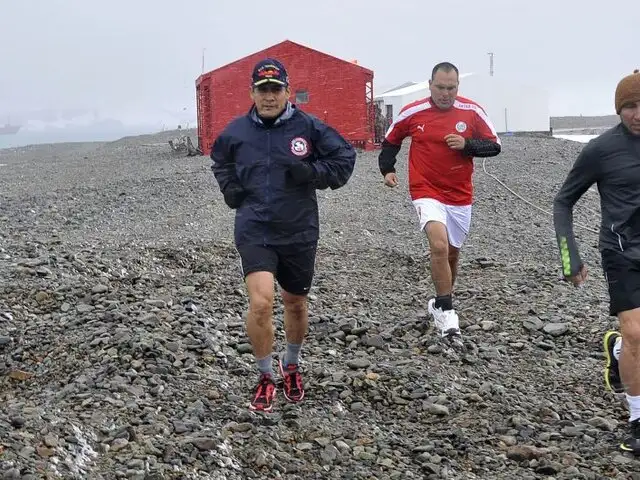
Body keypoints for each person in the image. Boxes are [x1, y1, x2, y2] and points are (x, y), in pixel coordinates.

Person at [210, 58, 356, 412]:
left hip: (299, 229)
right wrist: (229, 187)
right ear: (252, 93)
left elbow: (345, 160)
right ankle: (264, 376)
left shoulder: (310, 127)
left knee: (295, 303)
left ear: (288, 92)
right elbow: (220, 160)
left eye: (276, 90)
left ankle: (290, 366)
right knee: (261, 303)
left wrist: (310, 173)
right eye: (263, 90)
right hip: (255, 226)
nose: (270, 97)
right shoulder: (236, 132)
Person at [378, 62, 501, 343]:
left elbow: (495, 145)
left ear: (457, 86)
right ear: (429, 84)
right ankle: (447, 311)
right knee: (438, 244)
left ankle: (440, 301)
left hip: (459, 194)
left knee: (452, 255)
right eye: (440, 87)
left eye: (451, 88)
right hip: (425, 189)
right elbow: (391, 140)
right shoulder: (414, 111)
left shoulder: (472, 111)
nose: (446, 94)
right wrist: (388, 170)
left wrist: (467, 145)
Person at [553, 69, 640, 453]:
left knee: (636, 340)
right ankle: (638, 418)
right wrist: (570, 255)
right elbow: (563, 201)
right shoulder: (601, 150)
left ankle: (619, 352)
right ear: (619, 109)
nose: (638, 113)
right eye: (630, 106)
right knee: (638, 332)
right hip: (621, 252)